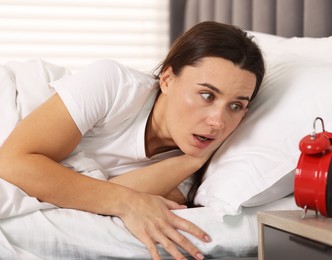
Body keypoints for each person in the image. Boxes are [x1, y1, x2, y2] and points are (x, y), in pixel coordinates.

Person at [0, 21, 265, 259]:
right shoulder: (113, 85)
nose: (218, 122)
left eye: (235, 106)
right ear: (168, 79)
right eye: (207, 96)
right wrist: (129, 203)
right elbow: (13, 162)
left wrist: (194, 160)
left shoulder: (190, 172)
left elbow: (101, 198)